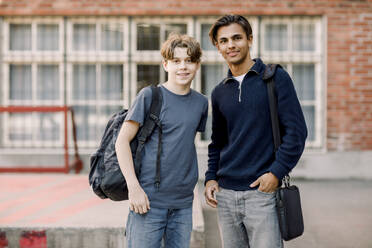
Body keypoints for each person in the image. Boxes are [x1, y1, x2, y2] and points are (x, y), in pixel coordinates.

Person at [204, 14, 308, 248]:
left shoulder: (274, 78)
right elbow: (217, 142)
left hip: (262, 193)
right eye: (224, 40)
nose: (231, 45)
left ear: (250, 39)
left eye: (237, 38)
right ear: (218, 47)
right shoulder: (219, 92)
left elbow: (297, 132)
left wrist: (276, 173)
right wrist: (210, 177)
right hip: (226, 195)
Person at [115, 33, 208, 248]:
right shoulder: (150, 96)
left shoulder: (201, 103)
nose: (183, 67)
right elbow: (122, 142)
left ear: (197, 65)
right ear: (166, 64)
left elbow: (183, 145)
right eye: (176, 61)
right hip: (148, 202)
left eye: (189, 61)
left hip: (183, 205)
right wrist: (134, 188)